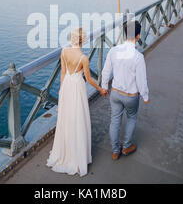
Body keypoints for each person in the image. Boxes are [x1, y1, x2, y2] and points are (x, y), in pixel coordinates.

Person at [47, 28, 108, 176]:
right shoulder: (83, 58)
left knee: (66, 118)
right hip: (77, 87)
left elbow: (62, 72)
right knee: (78, 118)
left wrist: (61, 91)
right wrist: (100, 89)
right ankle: (77, 155)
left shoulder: (64, 52)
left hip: (67, 85)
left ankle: (65, 151)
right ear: (82, 40)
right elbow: (88, 79)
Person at [101, 20, 150, 160]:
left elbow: (106, 72)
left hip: (115, 93)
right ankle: (127, 146)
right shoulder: (138, 57)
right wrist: (145, 96)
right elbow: (141, 80)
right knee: (131, 118)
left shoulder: (113, 50)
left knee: (115, 121)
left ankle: (115, 151)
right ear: (138, 36)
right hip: (130, 95)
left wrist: (104, 87)